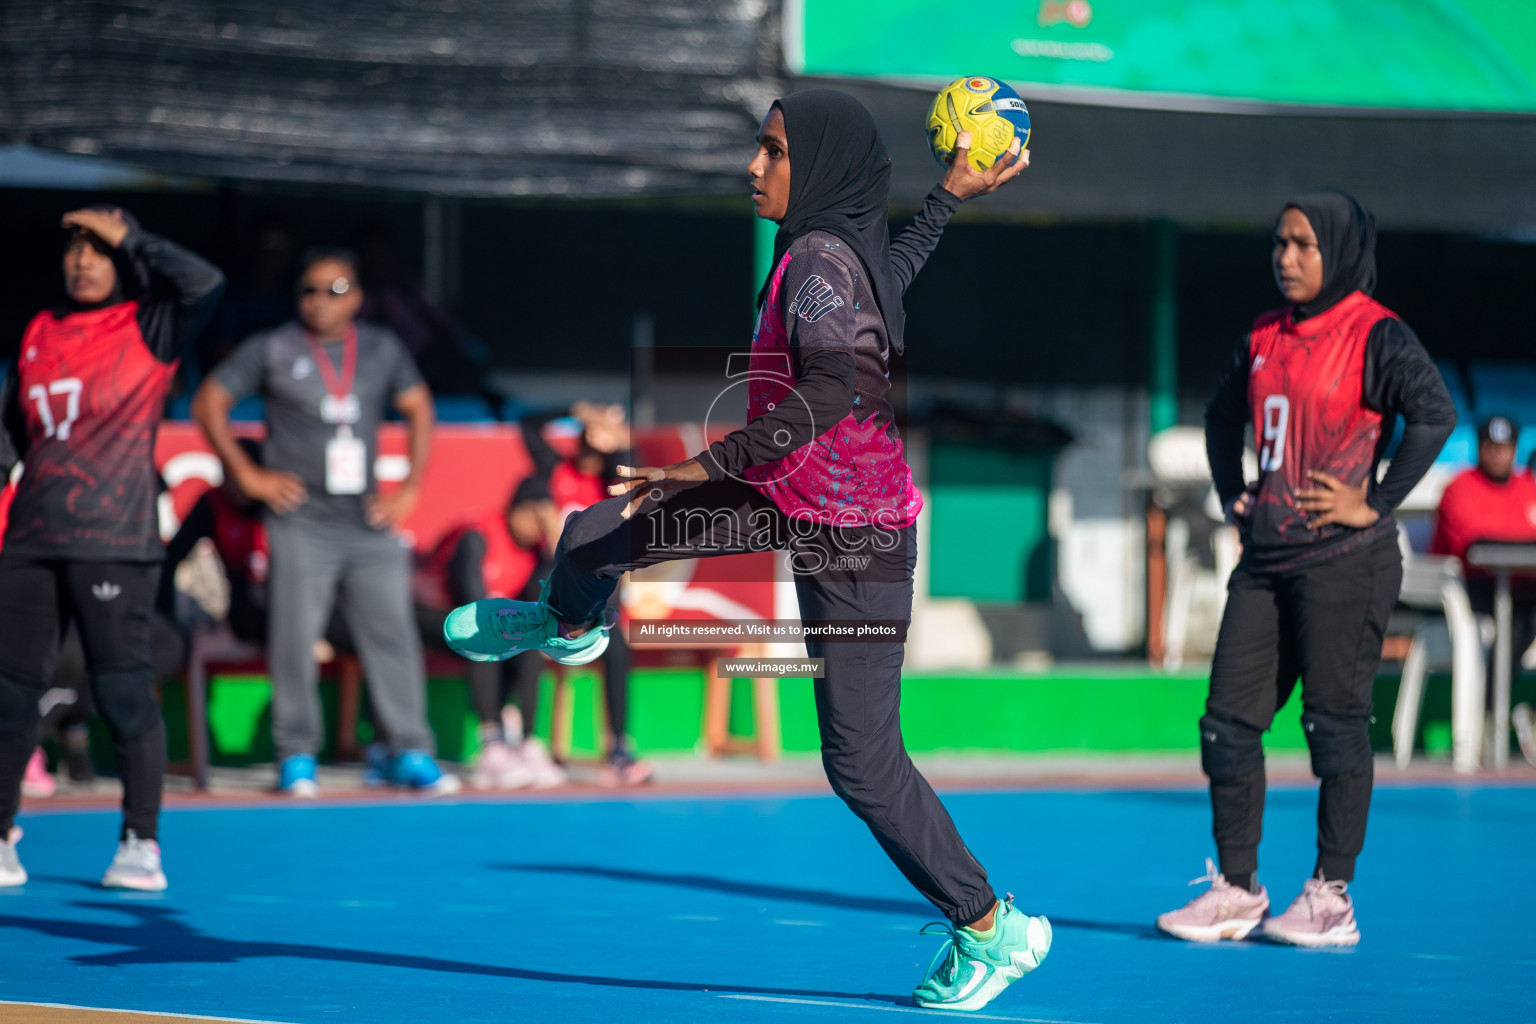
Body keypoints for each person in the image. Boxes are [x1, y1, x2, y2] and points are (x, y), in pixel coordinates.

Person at [444, 91, 1043, 1011]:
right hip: (786, 496)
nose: (752, 168)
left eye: (771, 151)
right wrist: (948, 198)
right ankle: (571, 624)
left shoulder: (817, 259)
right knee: (592, 533)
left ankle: (990, 927)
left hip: (857, 538)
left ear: (821, 169)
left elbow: (833, 388)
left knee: (861, 763)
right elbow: (897, 273)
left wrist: (704, 463)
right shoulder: (834, 253)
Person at [1158, 192, 1455, 947]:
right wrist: (1234, 498)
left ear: (1339, 251)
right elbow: (1221, 417)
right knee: (1227, 724)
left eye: (1302, 245)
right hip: (1264, 560)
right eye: (1279, 244)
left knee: (1334, 726)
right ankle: (1236, 890)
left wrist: (1375, 500)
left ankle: (1331, 896)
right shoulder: (1262, 335)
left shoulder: (1375, 333)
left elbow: (1433, 415)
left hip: (1345, 563)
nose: (1285, 258)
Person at [0, 206, 224, 890]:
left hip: (114, 543)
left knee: (123, 691)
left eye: (99, 249)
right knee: (10, 696)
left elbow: (206, 284)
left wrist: (136, 237)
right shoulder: (39, 329)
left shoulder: (150, 324)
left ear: (124, 260)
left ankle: (139, 842)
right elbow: (14, 427)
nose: (83, 261)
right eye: (74, 247)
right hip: (32, 540)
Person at [191, 247, 456, 797]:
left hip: (367, 520)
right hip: (300, 521)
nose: (319, 301)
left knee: (393, 634)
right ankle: (296, 755)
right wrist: (248, 475)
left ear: (357, 298)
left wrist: (409, 488)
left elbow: (420, 409)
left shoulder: (382, 348)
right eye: (308, 290)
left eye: (333, 291)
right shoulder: (273, 347)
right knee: (294, 638)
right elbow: (209, 401)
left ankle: (409, 749)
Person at [415, 476, 565, 789]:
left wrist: (553, 550)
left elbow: (539, 605)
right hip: (429, 614)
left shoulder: (536, 550)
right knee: (485, 632)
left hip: (486, 620)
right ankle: (492, 744)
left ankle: (526, 742)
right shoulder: (477, 535)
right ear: (516, 511)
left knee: (530, 636)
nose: (535, 528)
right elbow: (469, 601)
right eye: (534, 518)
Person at [1431, 414, 1536, 766]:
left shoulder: (1527, 485)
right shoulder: (1460, 486)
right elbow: (1474, 547)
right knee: (1518, 619)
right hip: (1470, 592)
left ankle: (1511, 711)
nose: (1498, 455)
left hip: (1522, 589)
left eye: (1505, 448)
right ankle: (1492, 711)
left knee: (1523, 615)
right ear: (1479, 448)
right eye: (1492, 447)